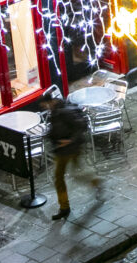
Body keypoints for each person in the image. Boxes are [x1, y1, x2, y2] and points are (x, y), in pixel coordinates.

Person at [40, 91, 101, 220]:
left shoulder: (64, 112)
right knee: (62, 177)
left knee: (69, 175)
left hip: (71, 148)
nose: (45, 108)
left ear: (50, 102)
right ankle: (65, 207)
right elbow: (57, 128)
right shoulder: (55, 112)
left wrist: (70, 140)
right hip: (62, 150)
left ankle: (95, 182)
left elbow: (80, 125)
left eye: (45, 105)